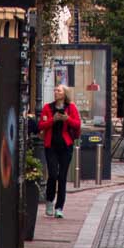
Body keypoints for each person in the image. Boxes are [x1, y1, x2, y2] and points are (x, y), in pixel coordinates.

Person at [38, 85, 81, 218]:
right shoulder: (47, 107)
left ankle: (59, 207)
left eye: (59, 90)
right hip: (51, 146)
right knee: (52, 174)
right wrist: (53, 119)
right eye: (55, 90)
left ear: (64, 94)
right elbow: (41, 125)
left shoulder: (71, 107)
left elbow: (77, 124)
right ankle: (50, 201)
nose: (56, 92)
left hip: (66, 146)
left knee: (62, 177)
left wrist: (66, 119)